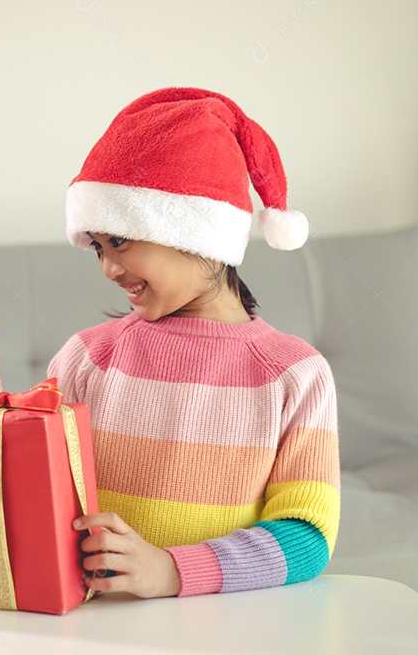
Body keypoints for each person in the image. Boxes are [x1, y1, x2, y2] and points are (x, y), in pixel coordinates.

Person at [48, 87, 340, 599]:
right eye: (97, 248)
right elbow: (39, 493)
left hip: (225, 625)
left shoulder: (295, 374)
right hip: (95, 621)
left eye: (120, 241)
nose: (108, 267)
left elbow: (307, 538)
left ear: (195, 232)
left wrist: (172, 571)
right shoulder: (87, 357)